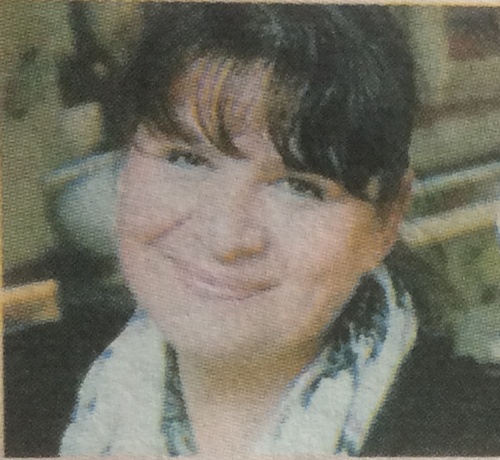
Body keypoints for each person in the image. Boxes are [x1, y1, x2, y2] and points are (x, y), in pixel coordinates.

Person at [51, 3, 499, 456]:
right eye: (186, 160)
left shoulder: (475, 435)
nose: (226, 238)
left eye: (299, 187)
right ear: (125, 166)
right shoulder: (32, 387)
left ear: (386, 219)